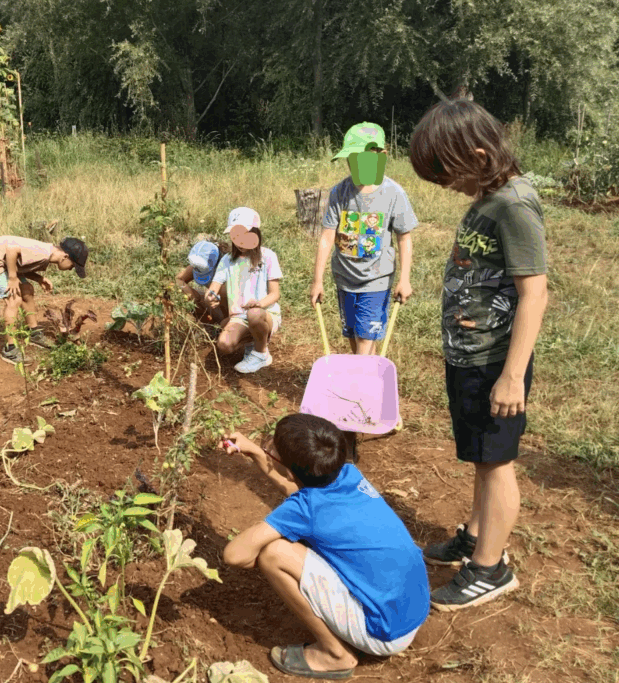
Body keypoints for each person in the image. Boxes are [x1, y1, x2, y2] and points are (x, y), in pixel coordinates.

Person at [410, 99, 548, 611]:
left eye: (447, 174)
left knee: (497, 464)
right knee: (480, 455)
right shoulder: (488, 197)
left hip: (495, 363)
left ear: (479, 153)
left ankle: (489, 568)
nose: (446, 185)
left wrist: (512, 377)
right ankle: (475, 533)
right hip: (470, 357)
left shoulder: (513, 205)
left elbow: (534, 292)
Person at [222, 414, 429, 679]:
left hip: (384, 631)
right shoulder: (348, 474)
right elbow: (296, 487)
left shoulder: (305, 508)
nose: (269, 445)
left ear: (290, 469)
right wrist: (254, 451)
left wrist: (256, 553)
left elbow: (234, 555)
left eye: (273, 447)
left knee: (274, 554)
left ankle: (335, 655)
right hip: (409, 606)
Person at [310, 122, 418, 356]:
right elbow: (327, 237)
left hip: (376, 280)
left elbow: (404, 237)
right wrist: (317, 280)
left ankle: (360, 388)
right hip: (344, 278)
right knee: (352, 334)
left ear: (380, 156)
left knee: (364, 338)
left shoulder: (393, 193)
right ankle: (367, 377)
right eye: (351, 159)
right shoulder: (339, 192)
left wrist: (405, 279)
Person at [0, 234, 88, 363]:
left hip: (2, 258)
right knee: (14, 299)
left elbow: (20, 263)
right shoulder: (43, 253)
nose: (71, 269)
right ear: (65, 257)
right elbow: (12, 251)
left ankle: (34, 334)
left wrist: (39, 278)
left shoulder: (48, 253)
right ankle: (10, 350)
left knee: (27, 290)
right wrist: (12, 278)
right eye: (73, 265)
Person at [207, 207, 282, 374]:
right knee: (224, 345)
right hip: (239, 316)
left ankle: (261, 353)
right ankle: (252, 341)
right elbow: (213, 287)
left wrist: (259, 303)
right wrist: (211, 296)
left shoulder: (268, 256)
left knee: (254, 314)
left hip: (264, 314)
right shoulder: (227, 260)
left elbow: (275, 293)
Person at [175, 239, 228, 323]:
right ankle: (206, 322)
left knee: (224, 323)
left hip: (232, 311)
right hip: (213, 304)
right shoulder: (201, 263)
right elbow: (178, 280)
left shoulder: (226, 275)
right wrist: (195, 298)